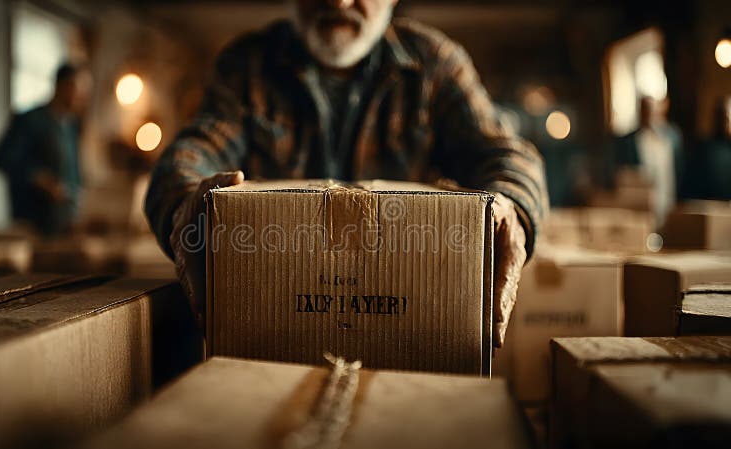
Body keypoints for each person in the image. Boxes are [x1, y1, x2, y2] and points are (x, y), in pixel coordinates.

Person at [144, 0, 548, 347]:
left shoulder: (435, 64)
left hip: (406, 314)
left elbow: (507, 155)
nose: (336, 2)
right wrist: (184, 208)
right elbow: (190, 156)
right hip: (277, 314)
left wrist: (510, 208)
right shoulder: (247, 65)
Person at [0, 63, 91, 235]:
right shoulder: (30, 120)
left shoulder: (71, 126)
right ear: (63, 86)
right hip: (33, 222)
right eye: (78, 88)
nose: (82, 96)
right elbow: (2, 159)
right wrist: (40, 178)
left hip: (65, 222)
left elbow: (74, 174)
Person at [613, 96, 685, 224]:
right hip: (640, 205)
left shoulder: (672, 138)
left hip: (668, 199)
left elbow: (679, 170)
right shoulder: (629, 141)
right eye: (644, 108)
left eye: (651, 108)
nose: (648, 112)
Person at [693, 97, 731, 200]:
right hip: (708, 207)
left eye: (728, 118)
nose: (726, 122)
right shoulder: (704, 149)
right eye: (723, 117)